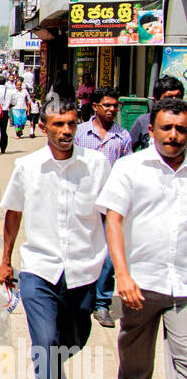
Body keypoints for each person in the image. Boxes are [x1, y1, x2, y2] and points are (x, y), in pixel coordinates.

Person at [0, 98, 111, 379]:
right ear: (43, 127)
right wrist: (6, 261)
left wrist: (119, 267)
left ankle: (55, 378)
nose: (65, 131)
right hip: (39, 270)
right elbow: (13, 213)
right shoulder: (27, 167)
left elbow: (113, 217)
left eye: (71, 124)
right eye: (58, 124)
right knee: (45, 347)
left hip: (83, 271)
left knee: (74, 338)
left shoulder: (97, 166)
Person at [98, 98, 187, 379]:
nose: (174, 136)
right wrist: (122, 274)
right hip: (141, 282)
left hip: (183, 284)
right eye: (167, 128)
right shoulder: (131, 167)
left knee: (184, 365)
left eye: (181, 129)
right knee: (134, 347)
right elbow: (114, 220)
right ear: (151, 131)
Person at [73, 87, 132, 328]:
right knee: (83, 251)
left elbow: (126, 171)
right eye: (107, 105)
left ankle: (101, 304)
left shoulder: (123, 137)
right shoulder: (79, 133)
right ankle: (80, 298)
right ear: (95, 106)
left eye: (115, 106)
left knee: (108, 255)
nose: (112, 110)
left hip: (111, 204)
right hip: (83, 201)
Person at [130, 76, 184, 152]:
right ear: (156, 99)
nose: (174, 102)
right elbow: (128, 149)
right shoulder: (143, 121)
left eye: (178, 97)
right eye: (169, 97)